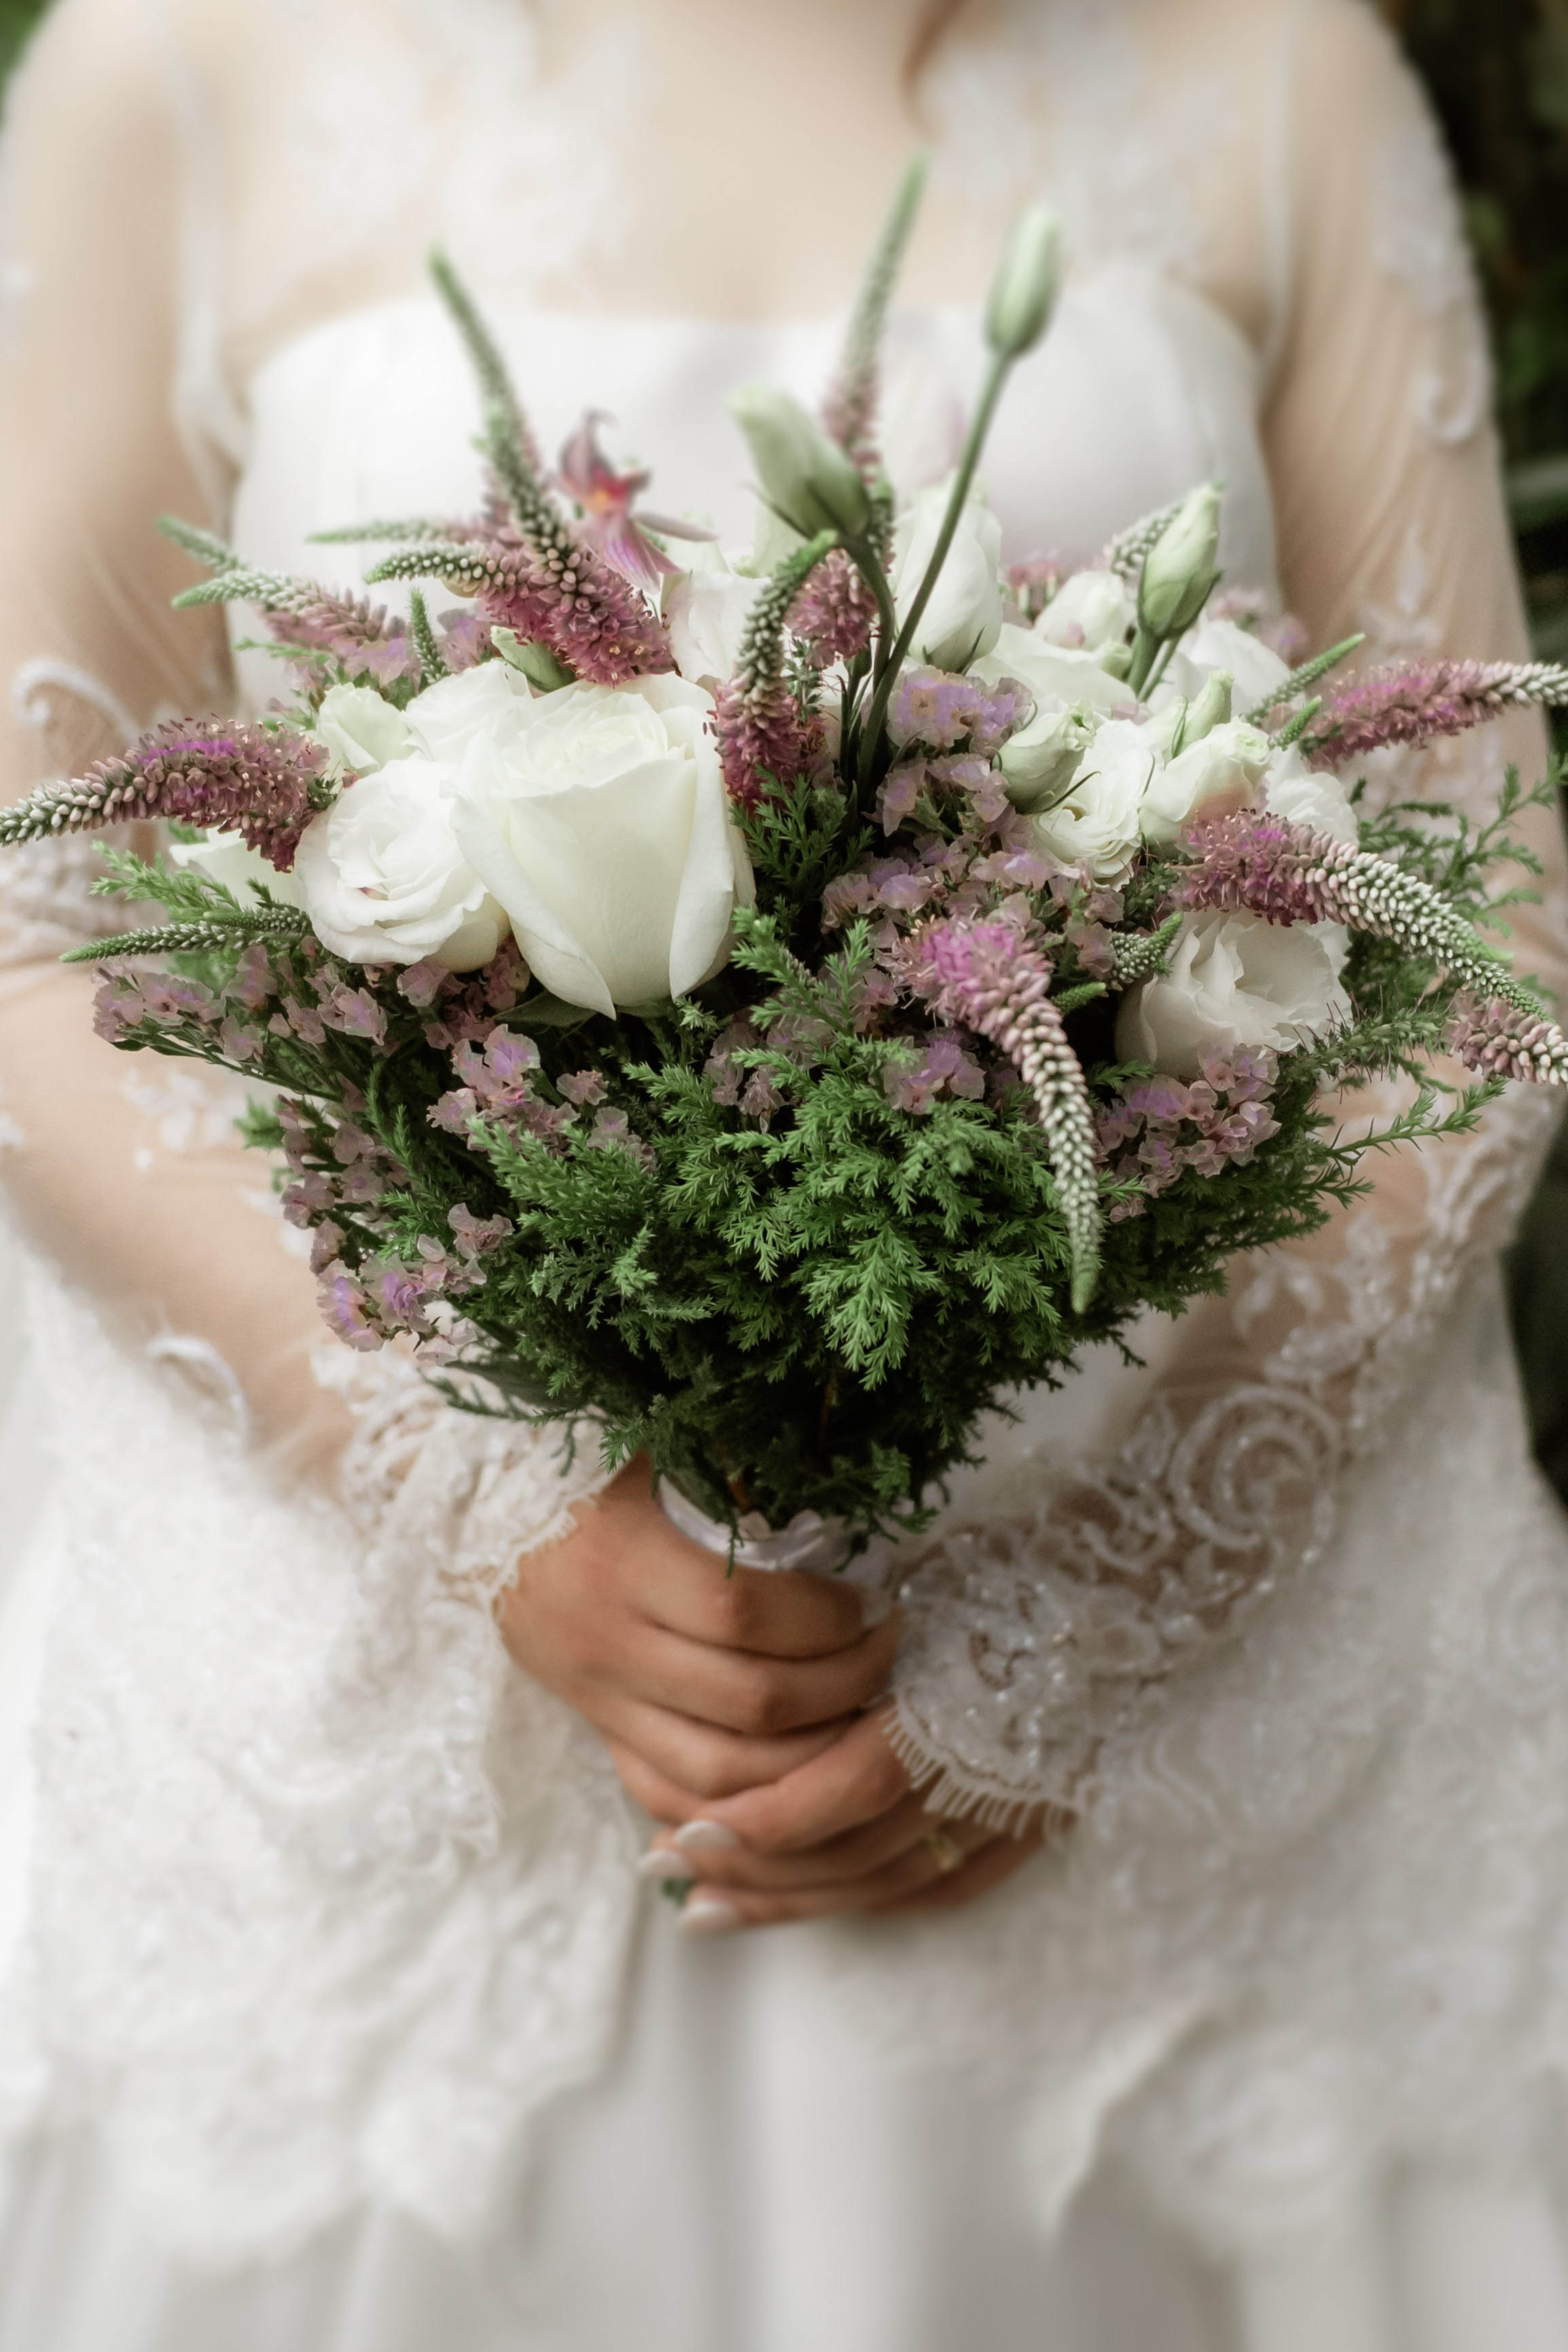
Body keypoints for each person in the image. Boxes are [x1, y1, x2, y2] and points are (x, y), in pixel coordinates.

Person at [1, 0, 1566, 2345]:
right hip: (414, 1719)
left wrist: (1120, 1582)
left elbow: (1482, 925)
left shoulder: (1275, 66)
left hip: (1165, 1709)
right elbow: (35, 906)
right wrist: (473, 1489)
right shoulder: (175, 65)